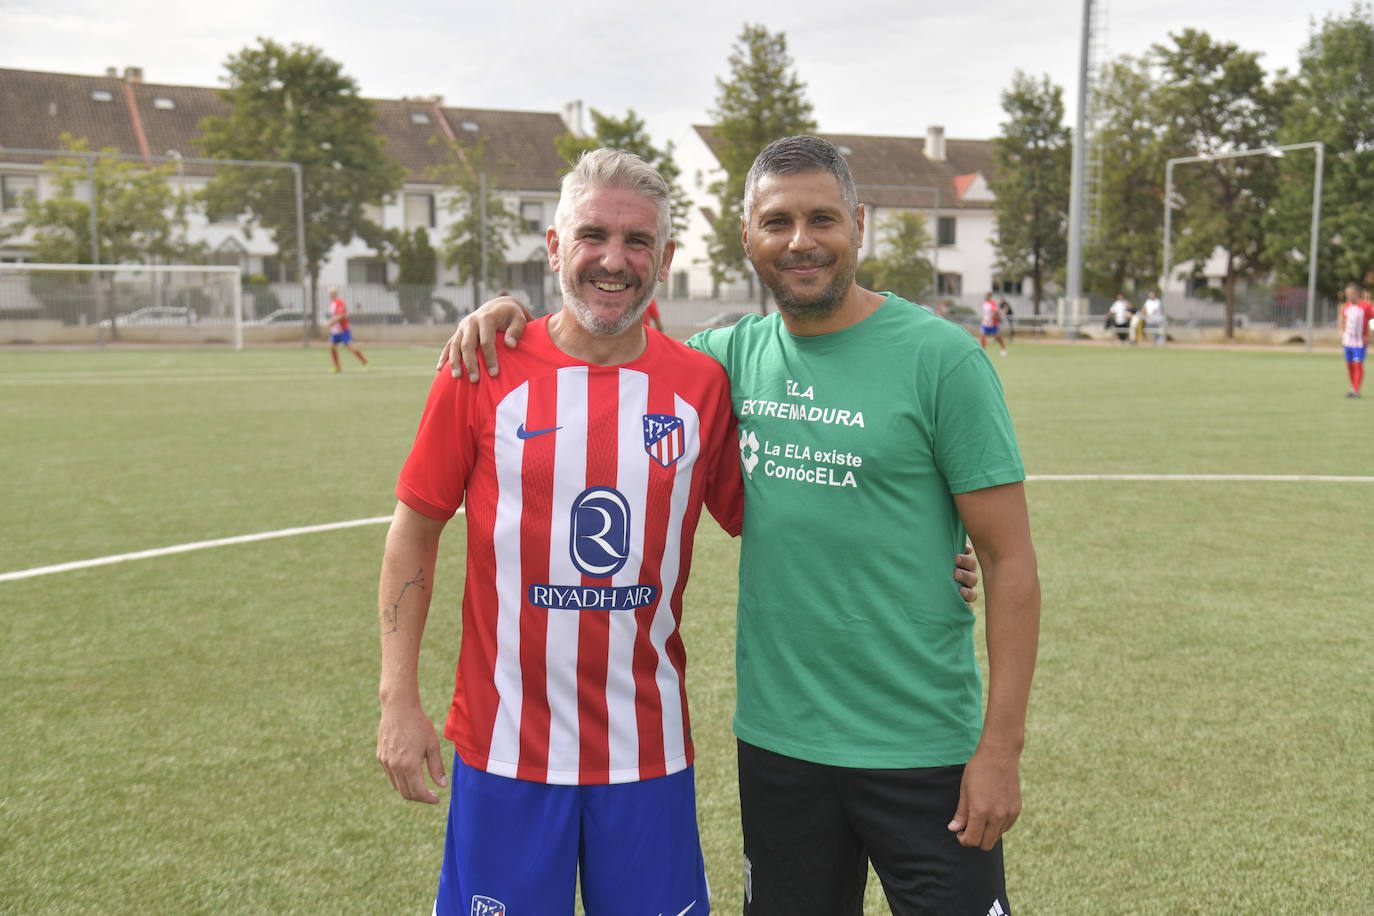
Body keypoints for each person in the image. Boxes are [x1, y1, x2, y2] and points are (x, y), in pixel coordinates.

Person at [447, 135, 1039, 915]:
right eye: (779, 221)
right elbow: (614, 340)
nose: (802, 241)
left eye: (823, 218)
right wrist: (513, 314)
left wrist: (999, 749)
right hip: (781, 746)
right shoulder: (723, 362)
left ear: (858, 224)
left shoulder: (943, 360)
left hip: (922, 747)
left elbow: (1010, 562)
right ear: (748, 235)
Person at [376, 149, 741, 916]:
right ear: (553, 247)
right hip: (505, 751)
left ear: (666, 259)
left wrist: (923, 556)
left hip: (647, 753)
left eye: (638, 241)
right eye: (593, 236)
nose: (614, 260)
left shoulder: (702, 387)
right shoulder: (482, 368)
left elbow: (779, 522)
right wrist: (397, 699)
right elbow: (414, 530)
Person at [1340, 283, 1374, 398]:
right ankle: (1353, 387)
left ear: (1357, 294)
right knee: (1349, 365)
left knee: (1357, 364)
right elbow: (1342, 320)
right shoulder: (1347, 306)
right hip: (1348, 342)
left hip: (1360, 342)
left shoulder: (1366, 306)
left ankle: (1356, 390)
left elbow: (1372, 320)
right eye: (1347, 294)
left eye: (1350, 294)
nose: (1348, 296)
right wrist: (1341, 332)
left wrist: (1371, 335)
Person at [326, 287, 369, 372]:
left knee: (350, 347)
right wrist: (332, 325)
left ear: (336, 293)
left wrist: (330, 322)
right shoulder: (332, 304)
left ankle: (365, 362)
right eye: (330, 293)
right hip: (335, 331)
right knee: (331, 347)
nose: (331, 295)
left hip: (343, 330)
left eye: (333, 293)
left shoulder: (340, 303)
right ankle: (337, 367)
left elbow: (340, 316)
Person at [980, 291, 1007, 356]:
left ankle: (1003, 348)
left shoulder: (993, 303)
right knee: (983, 335)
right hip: (985, 323)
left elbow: (995, 312)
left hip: (992, 323)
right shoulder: (984, 303)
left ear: (989, 296)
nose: (985, 297)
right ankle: (983, 351)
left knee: (997, 337)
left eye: (986, 296)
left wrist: (991, 317)